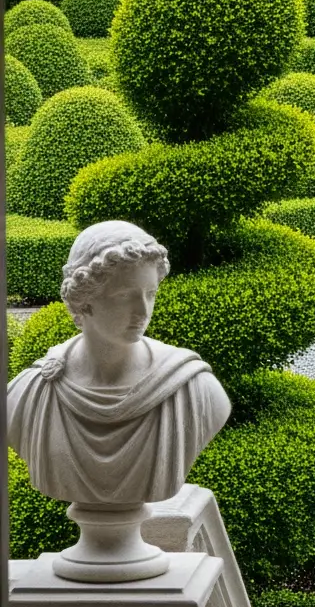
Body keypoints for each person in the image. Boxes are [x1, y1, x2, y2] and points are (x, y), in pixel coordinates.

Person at [8, 219, 230, 579]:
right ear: (85, 302)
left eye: (151, 294)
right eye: (125, 296)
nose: (143, 312)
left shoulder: (194, 389)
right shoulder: (31, 394)